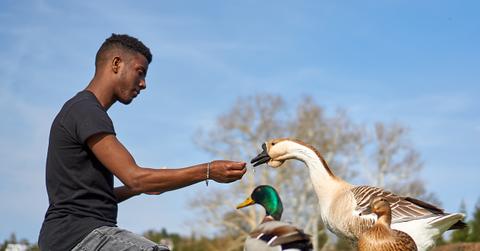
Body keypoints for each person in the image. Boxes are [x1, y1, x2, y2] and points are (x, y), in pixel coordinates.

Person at [38, 34, 247, 251]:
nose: (144, 84)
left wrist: (136, 190)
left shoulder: (81, 111)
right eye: (140, 72)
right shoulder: (85, 110)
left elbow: (95, 197)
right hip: (79, 236)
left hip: (67, 237)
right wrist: (208, 171)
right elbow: (135, 177)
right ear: (116, 63)